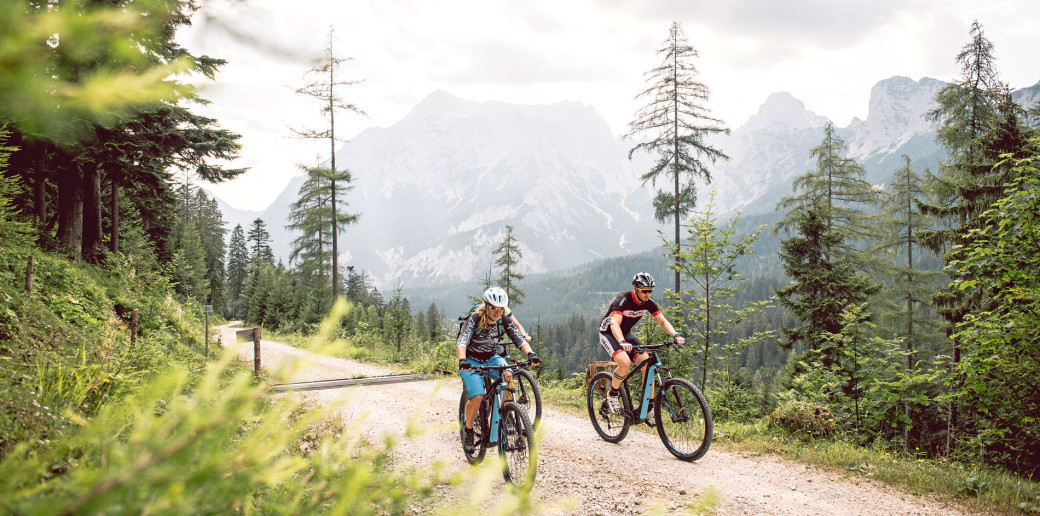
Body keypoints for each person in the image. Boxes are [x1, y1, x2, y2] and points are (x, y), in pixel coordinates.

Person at [458, 287, 540, 453]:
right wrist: (462, 360)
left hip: (491, 357)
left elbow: (518, 338)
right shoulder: (475, 319)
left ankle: (506, 412)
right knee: (478, 395)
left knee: (508, 375)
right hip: (472, 361)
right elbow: (462, 341)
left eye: (500, 308)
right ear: (487, 306)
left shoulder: (503, 320)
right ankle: (468, 430)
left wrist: (530, 354)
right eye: (494, 308)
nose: (497, 312)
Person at [597, 272, 684, 421]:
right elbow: (614, 323)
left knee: (648, 366)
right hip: (610, 333)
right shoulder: (623, 299)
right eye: (644, 291)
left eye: (650, 291)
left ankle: (649, 408)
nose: (648, 294)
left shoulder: (649, 302)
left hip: (627, 335)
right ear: (636, 289)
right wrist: (622, 342)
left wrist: (675, 335)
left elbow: (662, 321)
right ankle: (612, 395)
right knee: (624, 363)